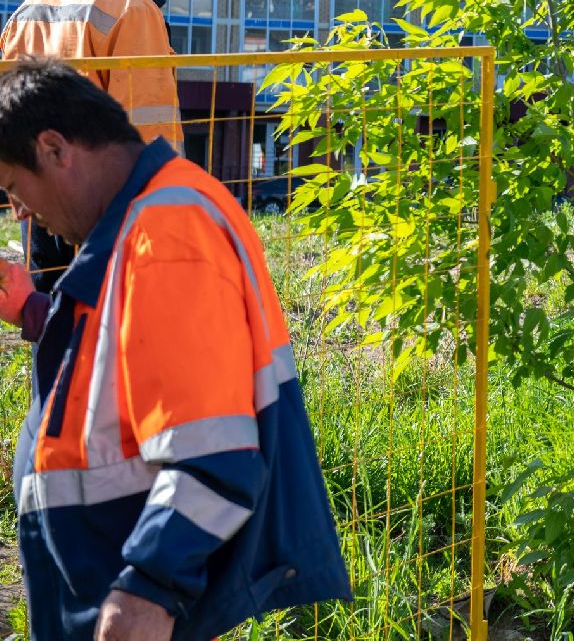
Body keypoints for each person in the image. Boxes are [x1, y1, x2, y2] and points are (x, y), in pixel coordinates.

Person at [0, 61, 350, 640]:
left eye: (14, 187)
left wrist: (147, 588)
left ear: (55, 148)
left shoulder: (165, 231)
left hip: (130, 604)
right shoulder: (144, 224)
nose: (19, 211)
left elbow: (212, 453)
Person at [0, 0, 183, 298]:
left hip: (33, 197)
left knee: (46, 324)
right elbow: (150, 128)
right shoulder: (134, 10)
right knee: (103, 327)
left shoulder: (29, 9)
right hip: (103, 206)